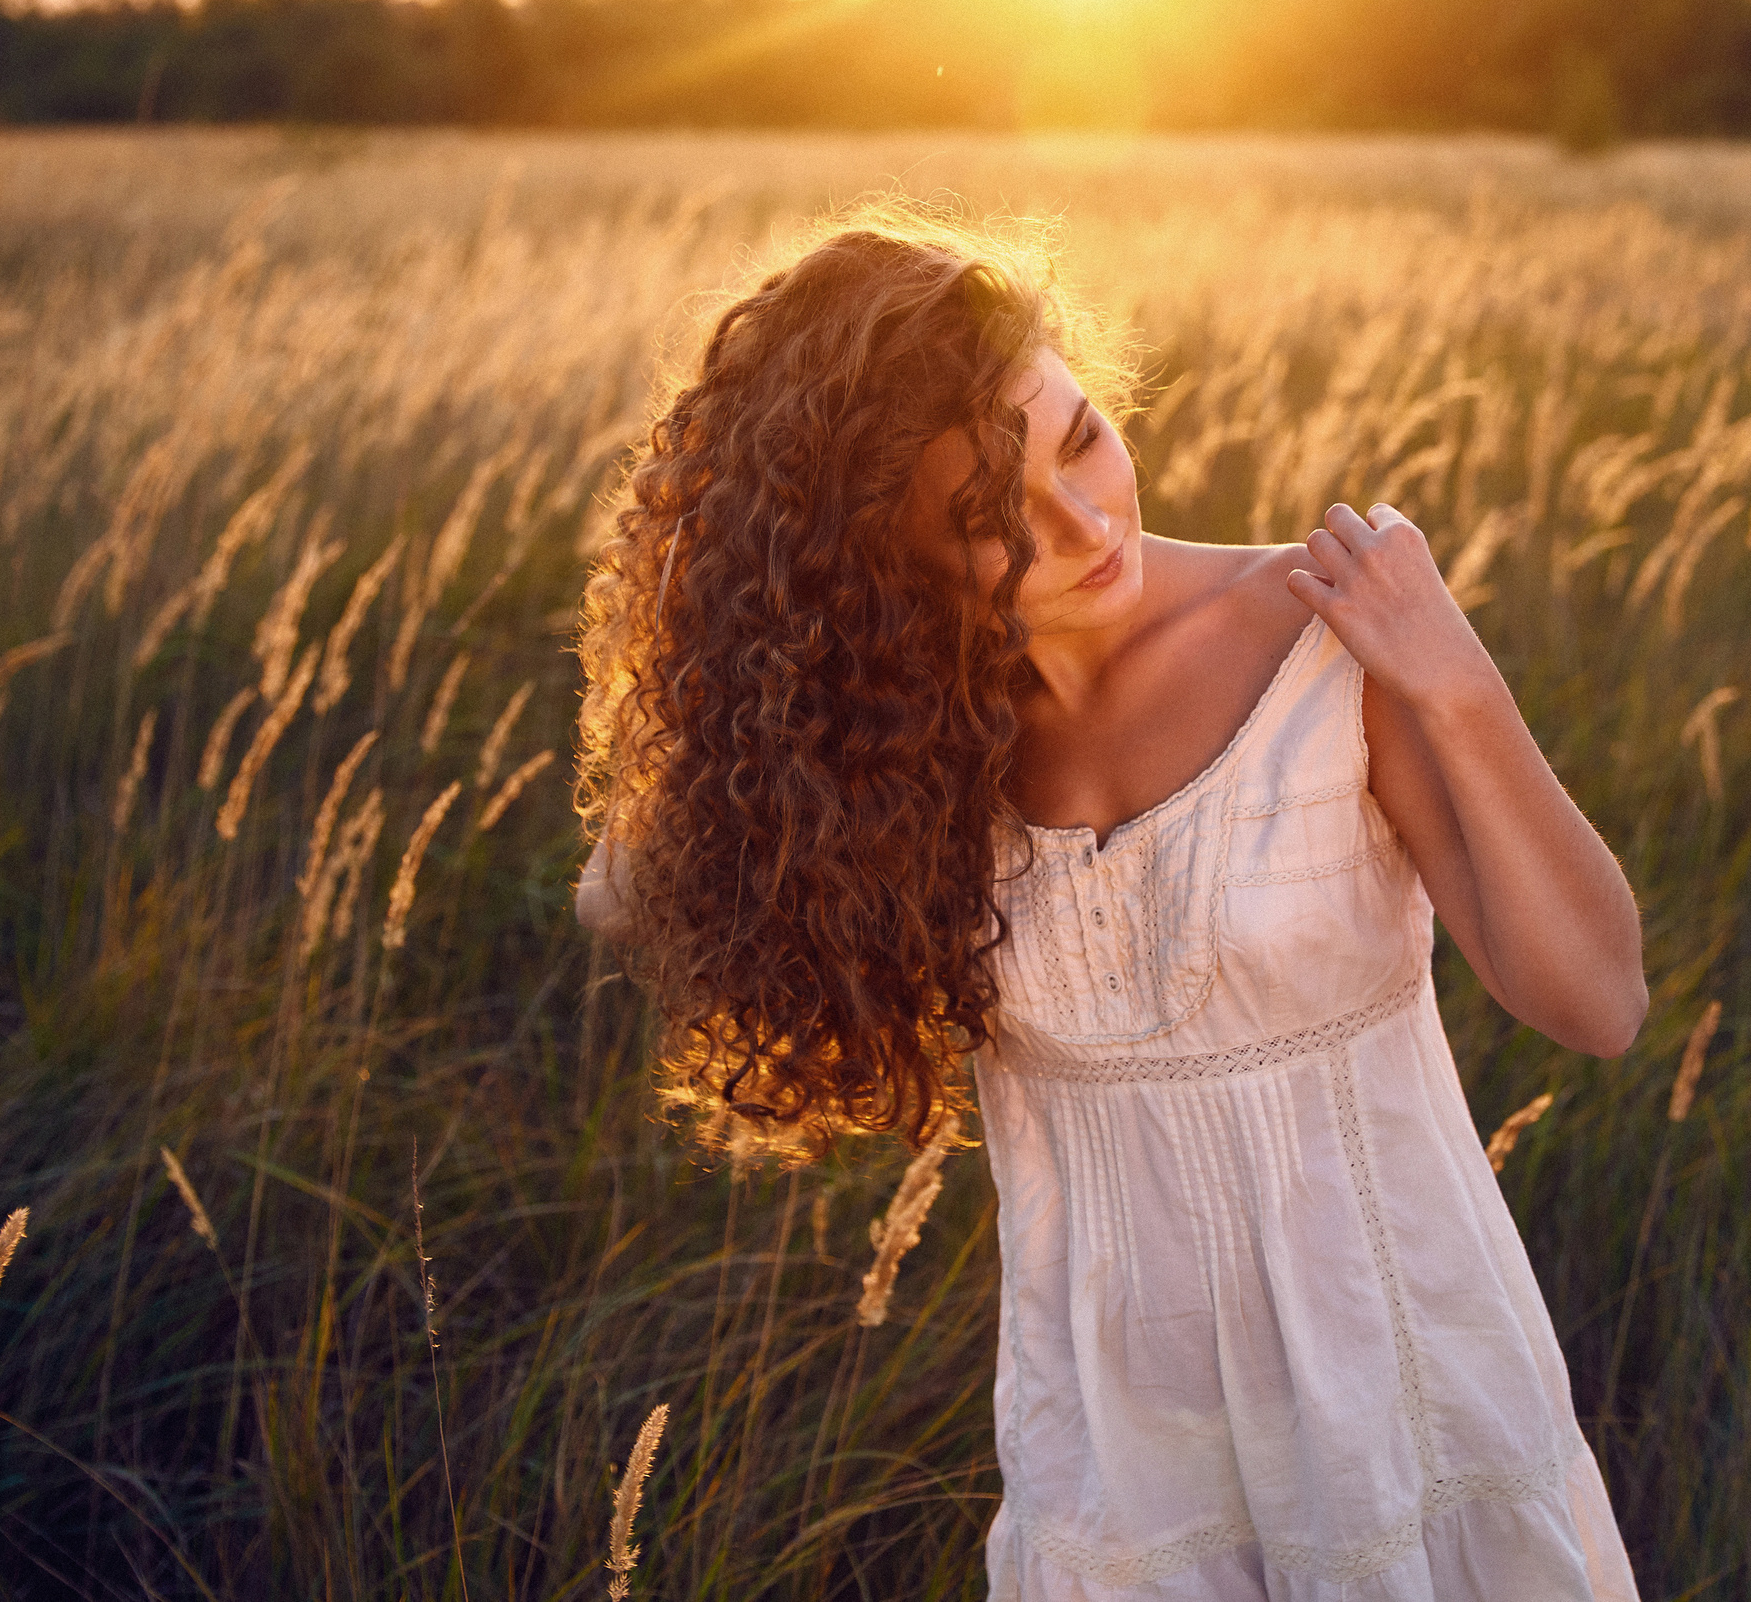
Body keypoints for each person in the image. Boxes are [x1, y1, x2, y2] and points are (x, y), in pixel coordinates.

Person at [575, 200, 1646, 1600]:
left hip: (1408, 1405)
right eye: (984, 522)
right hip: (1123, 1471)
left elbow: (1599, 1004)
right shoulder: (898, 758)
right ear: (878, 572)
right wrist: (746, 751)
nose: (1083, 526)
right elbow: (624, 886)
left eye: (1081, 439)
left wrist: (1458, 682)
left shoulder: (1327, 635)